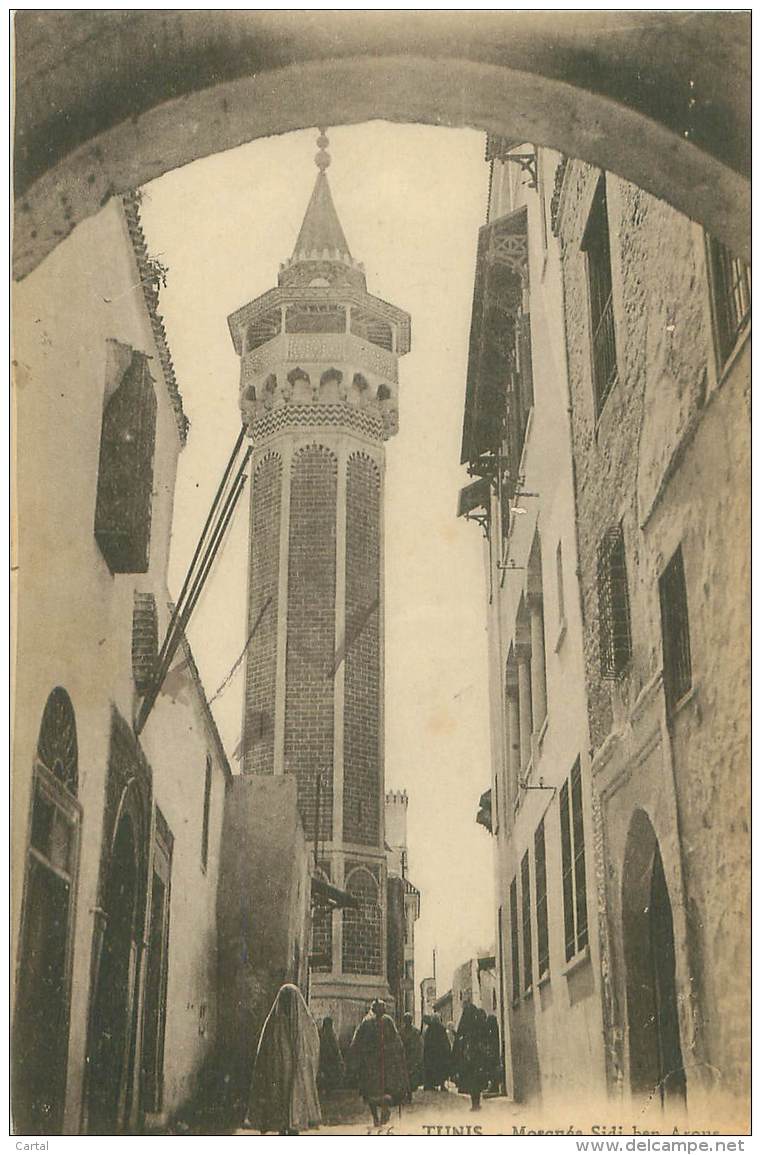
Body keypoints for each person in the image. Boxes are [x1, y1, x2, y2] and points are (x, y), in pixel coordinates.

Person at [247, 983, 322, 1135]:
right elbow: (263, 1053)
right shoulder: (273, 1023)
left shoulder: (304, 1024)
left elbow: (313, 1047)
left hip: (295, 1074)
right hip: (277, 1074)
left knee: (292, 1109)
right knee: (281, 1110)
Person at [349, 999, 409, 1126]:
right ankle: (378, 1116)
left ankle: (381, 1114)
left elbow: (395, 1040)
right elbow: (358, 1042)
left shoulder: (384, 1022)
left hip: (381, 1063)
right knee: (374, 1091)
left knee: (379, 1090)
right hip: (374, 1063)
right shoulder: (371, 1023)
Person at [451, 1003, 490, 1111]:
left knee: (472, 1080)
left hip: (469, 1057)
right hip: (477, 1057)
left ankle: (475, 1103)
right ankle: (476, 1103)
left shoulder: (466, 1024)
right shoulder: (478, 1022)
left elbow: (460, 1037)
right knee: (476, 1080)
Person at [422, 1013, 451, 1091]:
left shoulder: (429, 1029)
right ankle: (442, 1085)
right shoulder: (442, 1029)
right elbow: (445, 1042)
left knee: (431, 1068)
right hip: (440, 1054)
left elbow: (426, 1042)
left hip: (431, 1054)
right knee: (441, 1069)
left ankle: (430, 1084)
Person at [399, 1013, 423, 1099]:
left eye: (409, 1020)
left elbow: (419, 1045)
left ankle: (409, 1092)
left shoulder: (416, 1032)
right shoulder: (401, 1032)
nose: (408, 1022)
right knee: (405, 1075)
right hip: (404, 1056)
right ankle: (407, 1092)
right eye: (406, 1020)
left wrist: (418, 1056)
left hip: (412, 1056)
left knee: (411, 1075)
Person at [318, 1016, 345, 1093]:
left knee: (327, 1073)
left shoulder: (323, 1033)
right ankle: (327, 1088)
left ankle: (326, 1088)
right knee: (329, 1073)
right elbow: (334, 1047)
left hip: (326, 1058)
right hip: (328, 1058)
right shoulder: (329, 1034)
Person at [485, 1013, 502, 1094]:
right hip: (494, 1052)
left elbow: (491, 1042)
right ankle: (493, 1085)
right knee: (492, 1069)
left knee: (492, 1069)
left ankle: (494, 1086)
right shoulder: (494, 1031)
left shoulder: (492, 1032)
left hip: (493, 1053)